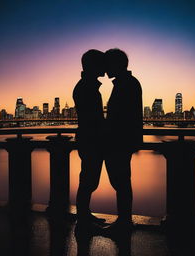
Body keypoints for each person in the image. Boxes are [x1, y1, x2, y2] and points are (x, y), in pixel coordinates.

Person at [104, 48, 143, 231]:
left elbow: (122, 116)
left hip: (119, 142)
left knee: (121, 182)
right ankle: (124, 220)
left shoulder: (126, 84)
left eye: (107, 63)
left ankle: (124, 222)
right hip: (122, 141)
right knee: (122, 182)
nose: (105, 68)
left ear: (115, 64)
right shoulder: (127, 82)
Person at [73, 49, 106, 224]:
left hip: (88, 139)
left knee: (88, 179)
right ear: (94, 66)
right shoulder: (87, 88)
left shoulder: (86, 85)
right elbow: (93, 119)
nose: (105, 67)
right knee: (88, 181)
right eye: (102, 63)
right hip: (91, 141)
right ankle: (83, 217)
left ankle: (84, 215)